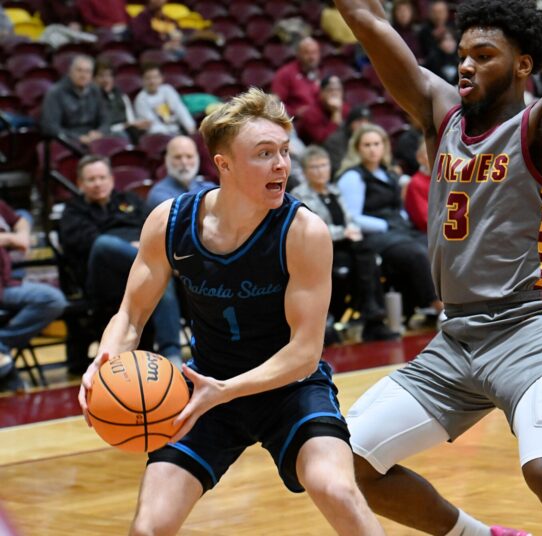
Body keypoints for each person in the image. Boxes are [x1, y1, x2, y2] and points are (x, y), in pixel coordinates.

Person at [333, 0, 542, 534]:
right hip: (456, 339)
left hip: (528, 328)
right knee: (342, 465)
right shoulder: (438, 111)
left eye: (484, 55)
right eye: (463, 55)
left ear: (522, 65)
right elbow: (368, 20)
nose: (465, 65)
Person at [77, 88, 385, 536]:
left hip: (289, 389)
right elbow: (130, 316)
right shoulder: (170, 222)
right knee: (149, 528)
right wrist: (105, 362)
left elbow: (304, 352)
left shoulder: (304, 232)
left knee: (336, 489)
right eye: (264, 154)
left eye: (283, 151)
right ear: (223, 164)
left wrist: (227, 389)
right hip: (204, 388)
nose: (281, 164)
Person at [59, 155, 182, 369]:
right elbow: (86, 243)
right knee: (105, 244)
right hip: (102, 277)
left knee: (158, 274)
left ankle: (172, 355)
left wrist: (145, 249)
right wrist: (141, 249)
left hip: (141, 271)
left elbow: (154, 228)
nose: (98, 183)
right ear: (80, 183)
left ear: (111, 179)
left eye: (102, 177)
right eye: (91, 179)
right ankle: (168, 264)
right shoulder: (72, 211)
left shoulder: (130, 200)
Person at [291, 146, 398, 342]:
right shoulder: (299, 195)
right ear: (305, 172)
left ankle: (373, 320)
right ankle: (366, 317)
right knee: (359, 263)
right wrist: (343, 232)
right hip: (320, 249)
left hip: (346, 245)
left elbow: (349, 218)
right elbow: (310, 229)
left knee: (368, 255)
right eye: (314, 167)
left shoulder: (334, 190)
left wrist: (353, 229)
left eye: (323, 166)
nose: (320, 171)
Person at [336, 123, 442, 320]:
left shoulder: (389, 172)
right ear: (357, 148)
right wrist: (384, 225)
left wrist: (401, 219)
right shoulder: (353, 176)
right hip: (373, 236)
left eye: (376, 144)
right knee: (417, 253)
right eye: (367, 145)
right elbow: (351, 217)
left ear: (384, 146)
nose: (372, 149)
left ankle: (439, 302)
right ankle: (438, 306)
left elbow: (398, 207)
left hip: (398, 229)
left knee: (434, 245)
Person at [0, 200, 67, 391]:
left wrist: (21, 233)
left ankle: (1, 346)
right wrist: (10, 239)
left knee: (53, 300)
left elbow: (19, 219)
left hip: (7, 285)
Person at [40, 55, 110, 145]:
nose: (83, 75)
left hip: (93, 138)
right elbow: (50, 127)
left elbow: (105, 120)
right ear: (70, 72)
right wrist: (78, 138)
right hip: (67, 141)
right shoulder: (56, 93)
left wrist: (100, 133)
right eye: (79, 70)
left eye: (87, 72)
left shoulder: (95, 90)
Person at [146, 136, 217, 210]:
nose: (184, 162)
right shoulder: (159, 194)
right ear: (167, 160)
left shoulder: (209, 187)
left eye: (189, 156)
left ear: (197, 158)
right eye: (177, 157)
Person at [94, 61, 151, 143]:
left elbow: (130, 120)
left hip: (127, 131)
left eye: (109, 76)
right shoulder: (93, 99)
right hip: (106, 134)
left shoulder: (121, 95)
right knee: (121, 135)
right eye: (101, 76)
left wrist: (135, 124)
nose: (106, 80)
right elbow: (101, 126)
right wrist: (124, 126)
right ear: (94, 79)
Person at [134, 63, 196, 137]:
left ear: (161, 78)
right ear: (142, 80)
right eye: (148, 78)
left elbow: (180, 109)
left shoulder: (168, 90)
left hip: (177, 131)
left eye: (155, 77)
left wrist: (191, 129)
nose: (152, 81)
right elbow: (152, 124)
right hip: (157, 136)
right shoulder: (140, 99)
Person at [271, 36, 322, 118]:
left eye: (314, 53)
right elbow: (275, 104)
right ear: (298, 54)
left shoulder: (319, 73)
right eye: (307, 53)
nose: (312, 57)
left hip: (317, 121)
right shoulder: (285, 73)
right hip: (295, 122)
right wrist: (295, 112)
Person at [297, 75, 350, 145]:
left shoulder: (346, 108)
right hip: (313, 150)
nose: (335, 93)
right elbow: (323, 142)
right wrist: (336, 113)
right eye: (330, 90)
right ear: (321, 93)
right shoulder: (311, 113)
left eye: (338, 90)